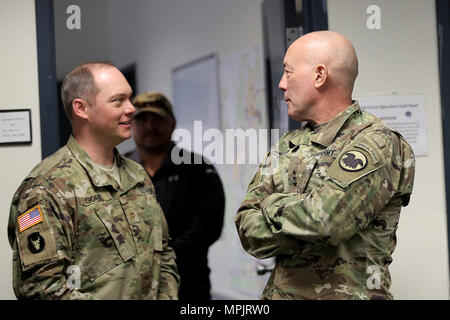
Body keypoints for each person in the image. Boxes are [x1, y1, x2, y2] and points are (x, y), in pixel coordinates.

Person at [235, 31, 415, 300]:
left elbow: (326, 220)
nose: (282, 84)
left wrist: (271, 205)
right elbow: (246, 226)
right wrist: (305, 217)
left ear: (319, 76)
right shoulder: (288, 144)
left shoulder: (376, 143)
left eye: (288, 72)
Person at [7, 62, 179, 299]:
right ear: (81, 108)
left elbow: (164, 255)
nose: (131, 109)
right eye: (118, 100)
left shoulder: (137, 176)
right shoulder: (46, 189)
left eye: (130, 99)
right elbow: (40, 289)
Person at [125, 91, 225, 300]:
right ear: (132, 125)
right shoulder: (118, 170)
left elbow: (209, 226)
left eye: (158, 119)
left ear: (172, 124)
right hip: (129, 288)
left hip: (187, 286)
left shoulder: (197, 168)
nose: (150, 127)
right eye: (142, 120)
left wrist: (161, 258)